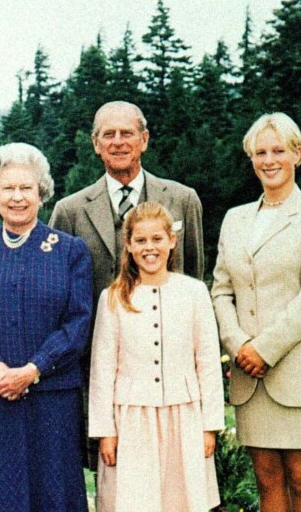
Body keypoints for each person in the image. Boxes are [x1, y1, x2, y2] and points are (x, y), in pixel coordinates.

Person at [50, 100, 204, 469]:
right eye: (108, 134)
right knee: (113, 474)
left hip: (169, 374)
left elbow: (195, 276)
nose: (118, 142)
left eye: (127, 133)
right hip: (98, 372)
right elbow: (57, 296)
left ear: (145, 139)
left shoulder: (182, 200)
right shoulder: (69, 211)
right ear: (95, 143)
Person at [0, 143, 92, 511]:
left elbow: (78, 322)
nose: (17, 197)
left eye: (26, 188)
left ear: (42, 192)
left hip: (51, 401)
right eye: (7, 188)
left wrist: (33, 369)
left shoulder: (70, 251)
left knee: (52, 496)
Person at [212, 112, 301, 511]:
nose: (269, 160)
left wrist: (264, 349)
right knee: (267, 483)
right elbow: (220, 291)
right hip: (250, 378)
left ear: (297, 154)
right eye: (260, 152)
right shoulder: (235, 219)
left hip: (299, 371)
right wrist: (238, 344)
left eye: (278, 150)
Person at [90, 202, 223, 512]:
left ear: (172, 241)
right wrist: (106, 431)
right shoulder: (112, 298)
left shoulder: (193, 292)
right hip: (132, 420)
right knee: (136, 501)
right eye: (141, 240)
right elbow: (102, 368)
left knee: (183, 500)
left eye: (157, 239)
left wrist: (209, 426)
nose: (149, 248)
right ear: (129, 245)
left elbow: (207, 362)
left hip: (184, 418)